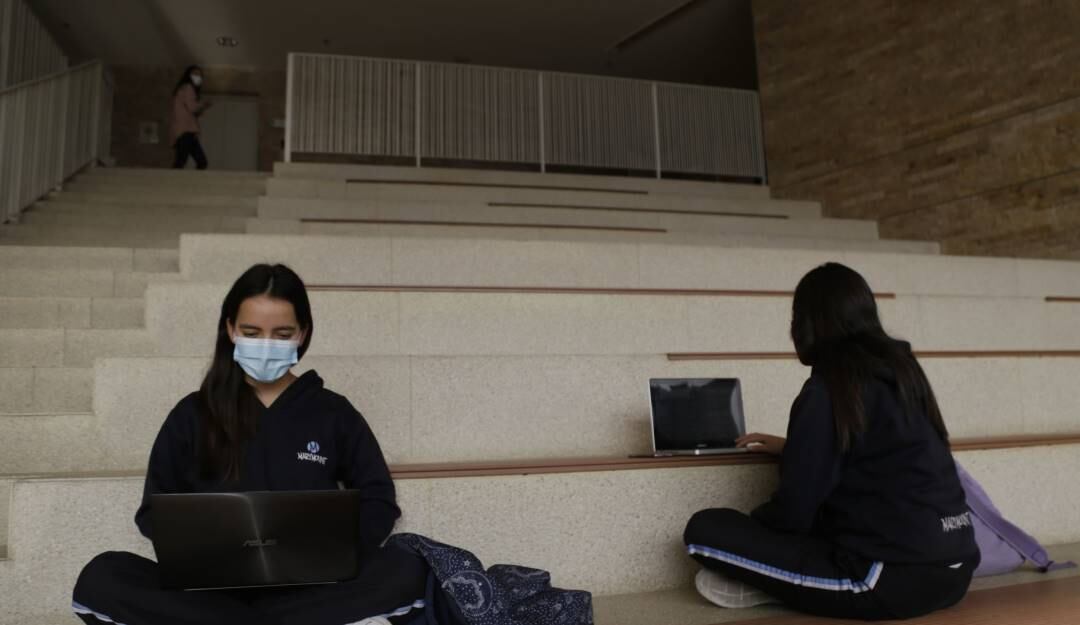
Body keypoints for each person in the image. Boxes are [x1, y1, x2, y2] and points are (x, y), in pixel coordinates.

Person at [71, 264, 428, 625]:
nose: (266, 345)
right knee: (103, 577)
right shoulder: (192, 414)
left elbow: (378, 498)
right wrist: (200, 550)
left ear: (302, 334)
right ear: (230, 329)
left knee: (404, 569)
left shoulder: (333, 412)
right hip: (211, 598)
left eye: (282, 332)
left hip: (314, 591)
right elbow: (153, 510)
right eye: (252, 332)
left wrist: (337, 553)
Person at [683, 262, 979, 621]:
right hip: (957, 569)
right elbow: (879, 456)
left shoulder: (828, 389)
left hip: (886, 581)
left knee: (704, 530)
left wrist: (758, 531)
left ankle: (773, 585)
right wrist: (798, 448)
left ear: (806, 324)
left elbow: (792, 514)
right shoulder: (903, 371)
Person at [170, 65, 212, 170]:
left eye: (199, 75)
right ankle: (173, 183)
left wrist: (201, 107)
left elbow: (192, 111)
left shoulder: (183, 88)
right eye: (195, 74)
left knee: (196, 161)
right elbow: (192, 108)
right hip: (185, 131)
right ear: (188, 75)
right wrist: (204, 104)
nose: (198, 77)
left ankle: (189, 183)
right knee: (184, 162)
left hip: (185, 131)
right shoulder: (188, 87)